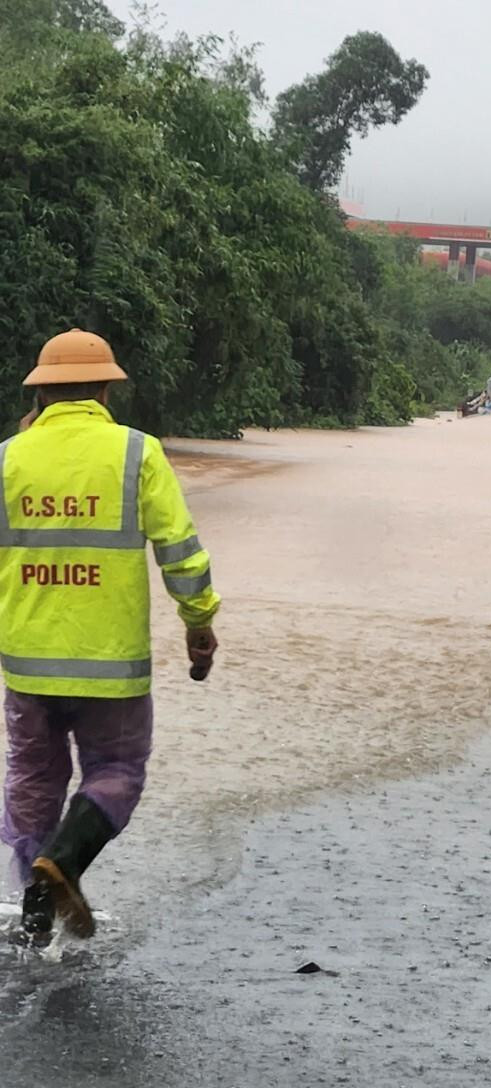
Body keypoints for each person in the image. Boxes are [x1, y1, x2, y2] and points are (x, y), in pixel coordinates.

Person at [2, 329, 220, 942]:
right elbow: (180, 552)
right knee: (117, 768)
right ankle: (64, 864)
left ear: (42, 392)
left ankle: (35, 911)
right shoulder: (137, 453)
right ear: (103, 388)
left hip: (26, 666)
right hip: (111, 666)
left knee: (33, 782)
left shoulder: (6, 458)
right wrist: (198, 623)